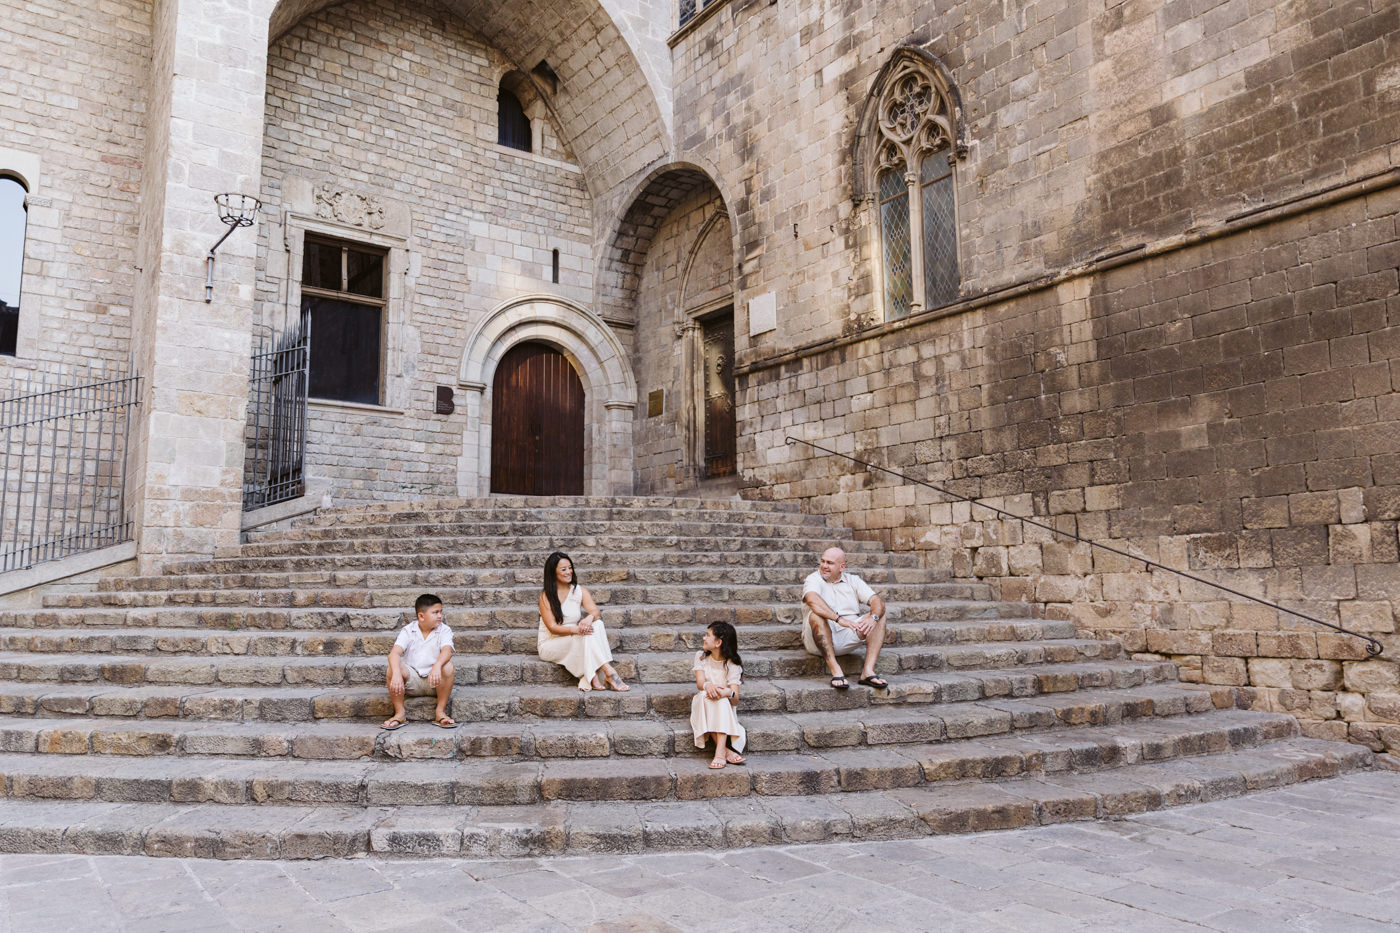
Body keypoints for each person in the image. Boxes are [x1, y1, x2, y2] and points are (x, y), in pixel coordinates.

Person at [537, 551, 630, 691]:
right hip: (550, 643)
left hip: (574, 636)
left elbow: (595, 612)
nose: (569, 572)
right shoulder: (546, 596)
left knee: (597, 624)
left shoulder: (579, 591)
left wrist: (589, 617)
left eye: (570, 567)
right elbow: (552, 627)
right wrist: (577, 629)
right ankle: (608, 672)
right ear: (553, 572)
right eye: (563, 569)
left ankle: (594, 675)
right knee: (582, 637)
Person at [801, 546, 890, 690]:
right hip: (817, 640)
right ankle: (835, 670)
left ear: (842, 566)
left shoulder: (853, 580)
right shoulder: (813, 579)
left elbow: (877, 601)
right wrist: (839, 619)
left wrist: (873, 617)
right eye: (822, 561)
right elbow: (813, 600)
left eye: (829, 563)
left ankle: (867, 672)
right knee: (816, 615)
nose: (824, 566)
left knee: (879, 616)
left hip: (848, 634)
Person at [382, 593, 456, 729]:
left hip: (436, 681)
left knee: (448, 666)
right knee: (393, 667)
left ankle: (440, 712)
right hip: (413, 680)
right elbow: (394, 654)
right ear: (421, 616)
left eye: (441, 612)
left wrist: (437, 666)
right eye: (435, 612)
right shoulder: (409, 630)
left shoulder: (444, 630)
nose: (440, 616)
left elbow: (447, 650)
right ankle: (400, 713)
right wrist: (397, 674)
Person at [691, 620, 746, 769]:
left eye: (708, 635)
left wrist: (728, 692)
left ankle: (721, 752)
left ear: (718, 643)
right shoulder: (701, 656)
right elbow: (700, 683)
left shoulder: (732, 664)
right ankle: (723, 751)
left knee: (721, 700)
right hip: (703, 702)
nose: (704, 638)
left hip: (725, 708)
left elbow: (735, 701)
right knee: (705, 696)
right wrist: (709, 686)